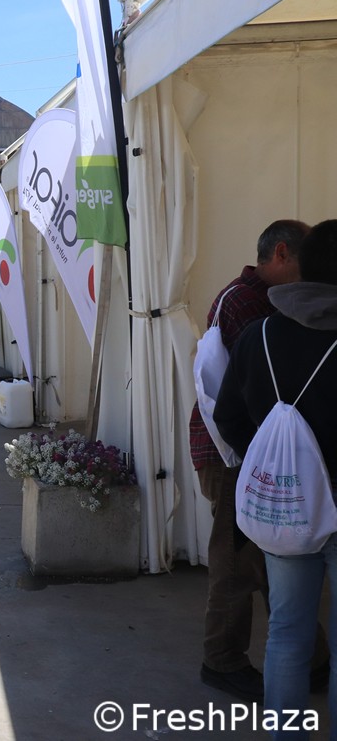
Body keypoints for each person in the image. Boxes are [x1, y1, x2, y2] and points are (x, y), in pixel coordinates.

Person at [215, 219, 337, 720]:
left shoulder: (258, 334)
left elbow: (226, 416)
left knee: (286, 631)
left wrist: (271, 460)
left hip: (286, 505)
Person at [192, 219, 318, 701]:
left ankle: (313, 659)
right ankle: (222, 660)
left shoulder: (257, 299)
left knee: (272, 557)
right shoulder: (247, 304)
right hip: (236, 452)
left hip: (253, 450)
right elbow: (257, 390)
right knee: (237, 560)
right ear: (282, 254)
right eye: (308, 263)